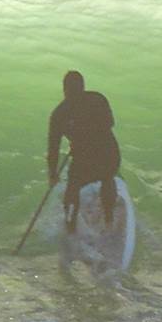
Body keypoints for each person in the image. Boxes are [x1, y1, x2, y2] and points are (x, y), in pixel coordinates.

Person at [47, 70, 121, 230]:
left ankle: (74, 227)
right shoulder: (97, 99)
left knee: (96, 180)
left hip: (103, 153)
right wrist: (52, 173)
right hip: (98, 155)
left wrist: (53, 174)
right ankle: (106, 221)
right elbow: (110, 123)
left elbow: (53, 148)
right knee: (104, 178)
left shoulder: (59, 114)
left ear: (64, 90)